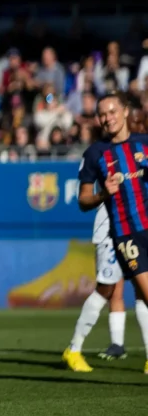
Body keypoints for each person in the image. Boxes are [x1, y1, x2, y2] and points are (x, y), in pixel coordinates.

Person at [61, 108, 148, 371]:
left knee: (142, 291)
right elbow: (87, 197)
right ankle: (75, 348)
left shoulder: (140, 148)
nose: (137, 125)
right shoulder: (99, 153)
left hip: (139, 229)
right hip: (111, 228)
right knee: (108, 289)